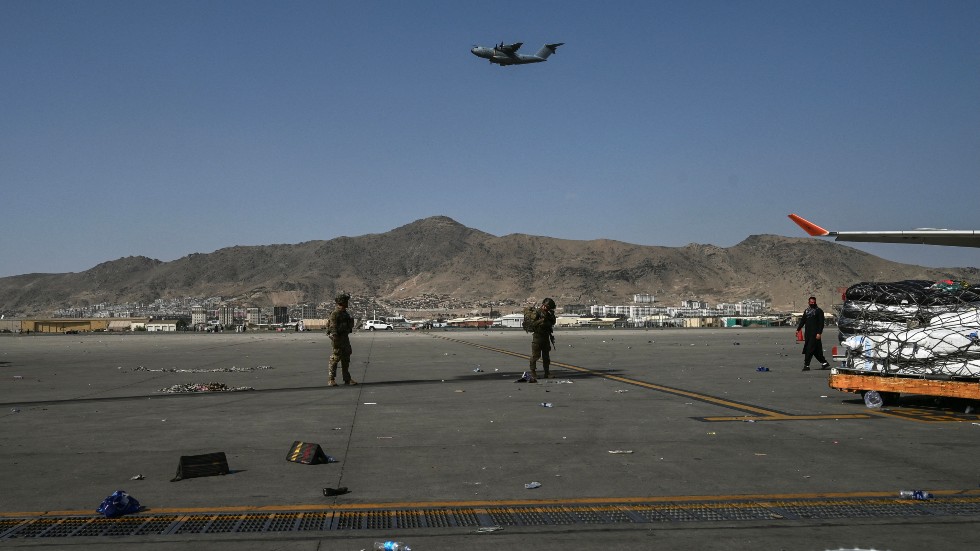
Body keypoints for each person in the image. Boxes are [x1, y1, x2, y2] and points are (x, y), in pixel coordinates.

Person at [327, 292, 357, 386]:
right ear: (342, 302)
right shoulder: (335, 313)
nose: (347, 303)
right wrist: (335, 338)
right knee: (335, 358)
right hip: (338, 338)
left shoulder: (345, 313)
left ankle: (347, 378)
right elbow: (333, 327)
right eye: (346, 301)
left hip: (344, 338)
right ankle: (331, 379)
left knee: (346, 358)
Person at [796, 296, 830, 371]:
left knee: (809, 349)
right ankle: (824, 363)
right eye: (811, 302)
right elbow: (803, 321)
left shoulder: (819, 311)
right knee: (816, 350)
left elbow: (821, 323)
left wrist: (819, 333)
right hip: (808, 334)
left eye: (814, 302)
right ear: (808, 302)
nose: (812, 303)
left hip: (815, 334)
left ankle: (806, 365)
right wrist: (798, 329)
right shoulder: (807, 311)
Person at [528, 297, 557, 382]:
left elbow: (553, 322)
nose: (547, 308)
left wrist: (551, 315)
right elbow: (532, 324)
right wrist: (541, 321)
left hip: (546, 337)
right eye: (547, 307)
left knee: (546, 356)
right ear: (544, 305)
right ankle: (533, 372)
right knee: (535, 356)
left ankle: (546, 373)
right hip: (537, 337)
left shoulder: (549, 313)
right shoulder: (537, 312)